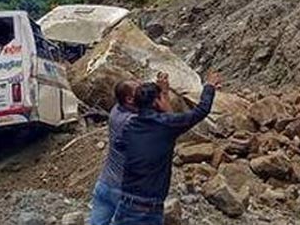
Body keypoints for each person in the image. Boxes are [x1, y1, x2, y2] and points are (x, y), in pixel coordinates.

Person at [112, 71, 220, 225]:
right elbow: (201, 110)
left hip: (125, 204)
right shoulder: (166, 125)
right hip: (147, 210)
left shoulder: (129, 127)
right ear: (156, 102)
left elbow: (119, 144)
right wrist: (209, 86)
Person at [89, 79, 140, 225]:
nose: (144, 93)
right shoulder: (134, 121)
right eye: (139, 91)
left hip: (104, 184)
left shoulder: (115, 111)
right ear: (129, 99)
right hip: (123, 191)